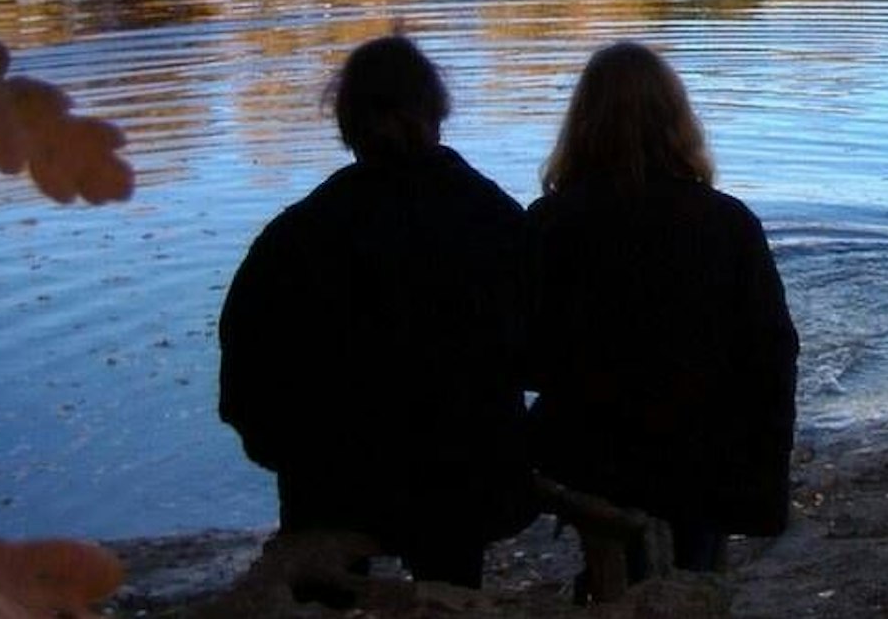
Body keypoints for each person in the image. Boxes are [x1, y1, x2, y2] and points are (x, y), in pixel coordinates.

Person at [218, 35, 534, 590]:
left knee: (323, 571)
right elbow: (539, 354)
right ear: (435, 114)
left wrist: (291, 453)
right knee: (451, 560)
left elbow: (244, 387)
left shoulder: (294, 237)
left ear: (346, 124)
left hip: (330, 488)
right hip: (469, 485)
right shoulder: (497, 221)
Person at [525, 40, 798, 577]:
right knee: (693, 559)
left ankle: (610, 573)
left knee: (612, 539)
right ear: (679, 121)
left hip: (586, 451)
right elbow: (772, 353)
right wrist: (765, 475)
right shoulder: (728, 223)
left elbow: (525, 353)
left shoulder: (548, 223)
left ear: (581, 124)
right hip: (700, 451)